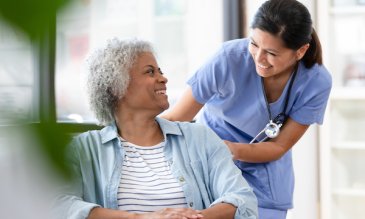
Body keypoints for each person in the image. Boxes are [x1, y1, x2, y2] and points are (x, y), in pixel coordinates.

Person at [161, 0, 332, 218]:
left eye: (271, 52)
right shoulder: (228, 58)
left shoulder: (316, 82)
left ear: (300, 51)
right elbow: (176, 117)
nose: (258, 58)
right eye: (254, 44)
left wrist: (230, 150)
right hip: (210, 168)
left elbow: (279, 146)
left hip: (264, 177)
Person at [55, 38, 258, 219]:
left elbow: (242, 199)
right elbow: (59, 205)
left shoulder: (200, 138)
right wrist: (141, 218)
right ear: (117, 87)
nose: (163, 78)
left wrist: (195, 217)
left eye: (160, 71)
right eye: (150, 71)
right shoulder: (84, 149)